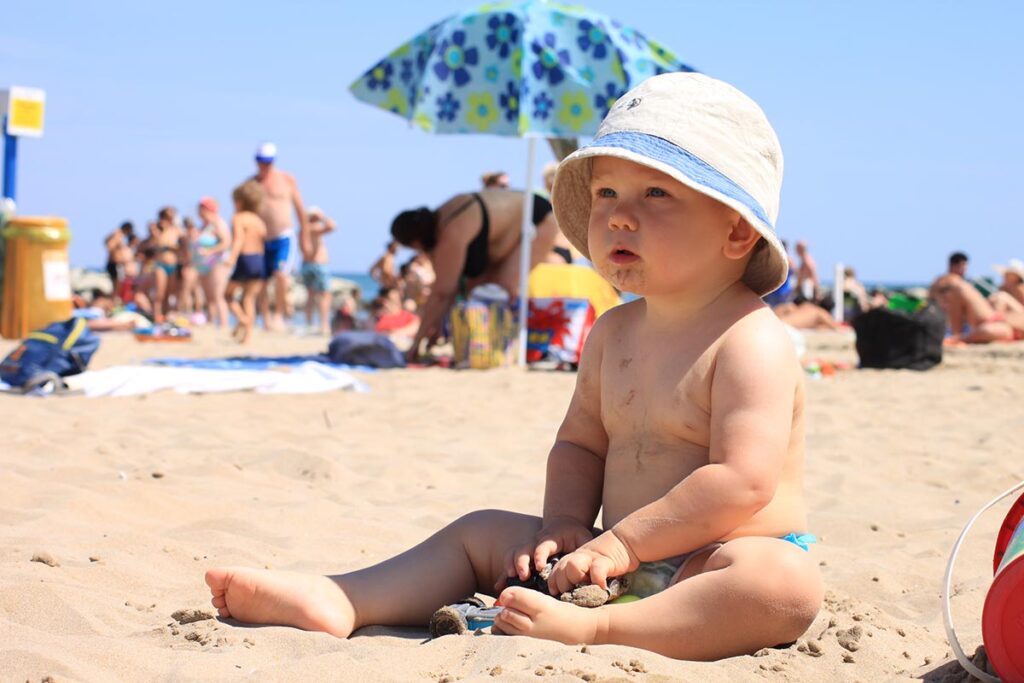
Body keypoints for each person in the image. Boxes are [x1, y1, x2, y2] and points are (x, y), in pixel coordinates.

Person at [205, 72, 822, 660]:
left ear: (737, 233)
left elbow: (743, 481)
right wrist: (565, 525)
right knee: (481, 532)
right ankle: (347, 596)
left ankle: (602, 628)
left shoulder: (749, 341)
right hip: (607, 555)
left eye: (656, 193)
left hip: (711, 560)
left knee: (782, 586)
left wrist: (626, 542)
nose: (619, 215)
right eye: (607, 192)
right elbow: (580, 445)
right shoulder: (613, 332)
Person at [390, 188, 561, 359]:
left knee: (501, 288)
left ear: (415, 242)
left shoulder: (451, 232)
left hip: (539, 219)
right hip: (511, 221)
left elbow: (442, 293)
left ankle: (501, 350)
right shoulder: (443, 219)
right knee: (479, 291)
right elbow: (451, 289)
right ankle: (486, 347)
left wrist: (417, 342)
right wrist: (436, 325)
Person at [251, 142, 308, 330]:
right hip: (261, 239)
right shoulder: (252, 183)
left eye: (267, 162)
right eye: (261, 161)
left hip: (283, 236)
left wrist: (304, 237)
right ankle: (265, 318)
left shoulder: (286, 180)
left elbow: (300, 210)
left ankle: (279, 315)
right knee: (261, 281)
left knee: (281, 276)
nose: (264, 165)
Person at [224, 181, 268, 344]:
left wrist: (232, 258)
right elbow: (263, 240)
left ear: (239, 201)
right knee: (249, 298)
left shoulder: (238, 218)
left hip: (245, 258)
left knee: (227, 295)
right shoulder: (259, 221)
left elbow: (239, 239)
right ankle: (247, 336)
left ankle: (243, 319)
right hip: (259, 260)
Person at [194, 197, 232, 328]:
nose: (198, 210)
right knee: (209, 297)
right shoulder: (202, 226)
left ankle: (223, 324)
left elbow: (226, 242)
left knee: (218, 295)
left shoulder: (218, 223)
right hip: (203, 265)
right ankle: (210, 322)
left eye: (201, 208)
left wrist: (210, 251)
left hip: (217, 262)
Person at [300, 206, 336, 335]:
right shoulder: (313, 228)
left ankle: (309, 323)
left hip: (306, 265)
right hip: (318, 266)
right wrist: (323, 217)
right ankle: (324, 325)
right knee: (325, 295)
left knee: (310, 296)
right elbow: (332, 226)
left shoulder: (303, 229)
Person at [103, 221, 135, 292]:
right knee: (116, 285)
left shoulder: (116, 234)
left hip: (114, 263)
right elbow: (110, 246)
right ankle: (114, 300)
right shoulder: (118, 234)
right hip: (115, 263)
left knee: (116, 284)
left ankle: (114, 300)